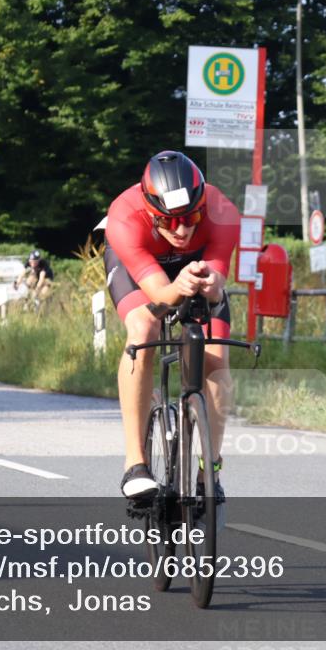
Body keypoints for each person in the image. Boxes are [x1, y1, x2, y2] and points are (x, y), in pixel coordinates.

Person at [103, 150, 240, 500]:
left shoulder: (222, 210)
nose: (182, 229)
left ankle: (210, 469)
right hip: (141, 269)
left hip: (196, 263)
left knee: (215, 356)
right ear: (151, 212)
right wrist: (177, 287)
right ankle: (135, 463)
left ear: (202, 203)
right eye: (168, 221)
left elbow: (217, 286)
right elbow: (160, 295)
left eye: (192, 216)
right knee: (143, 328)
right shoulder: (124, 217)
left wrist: (210, 285)